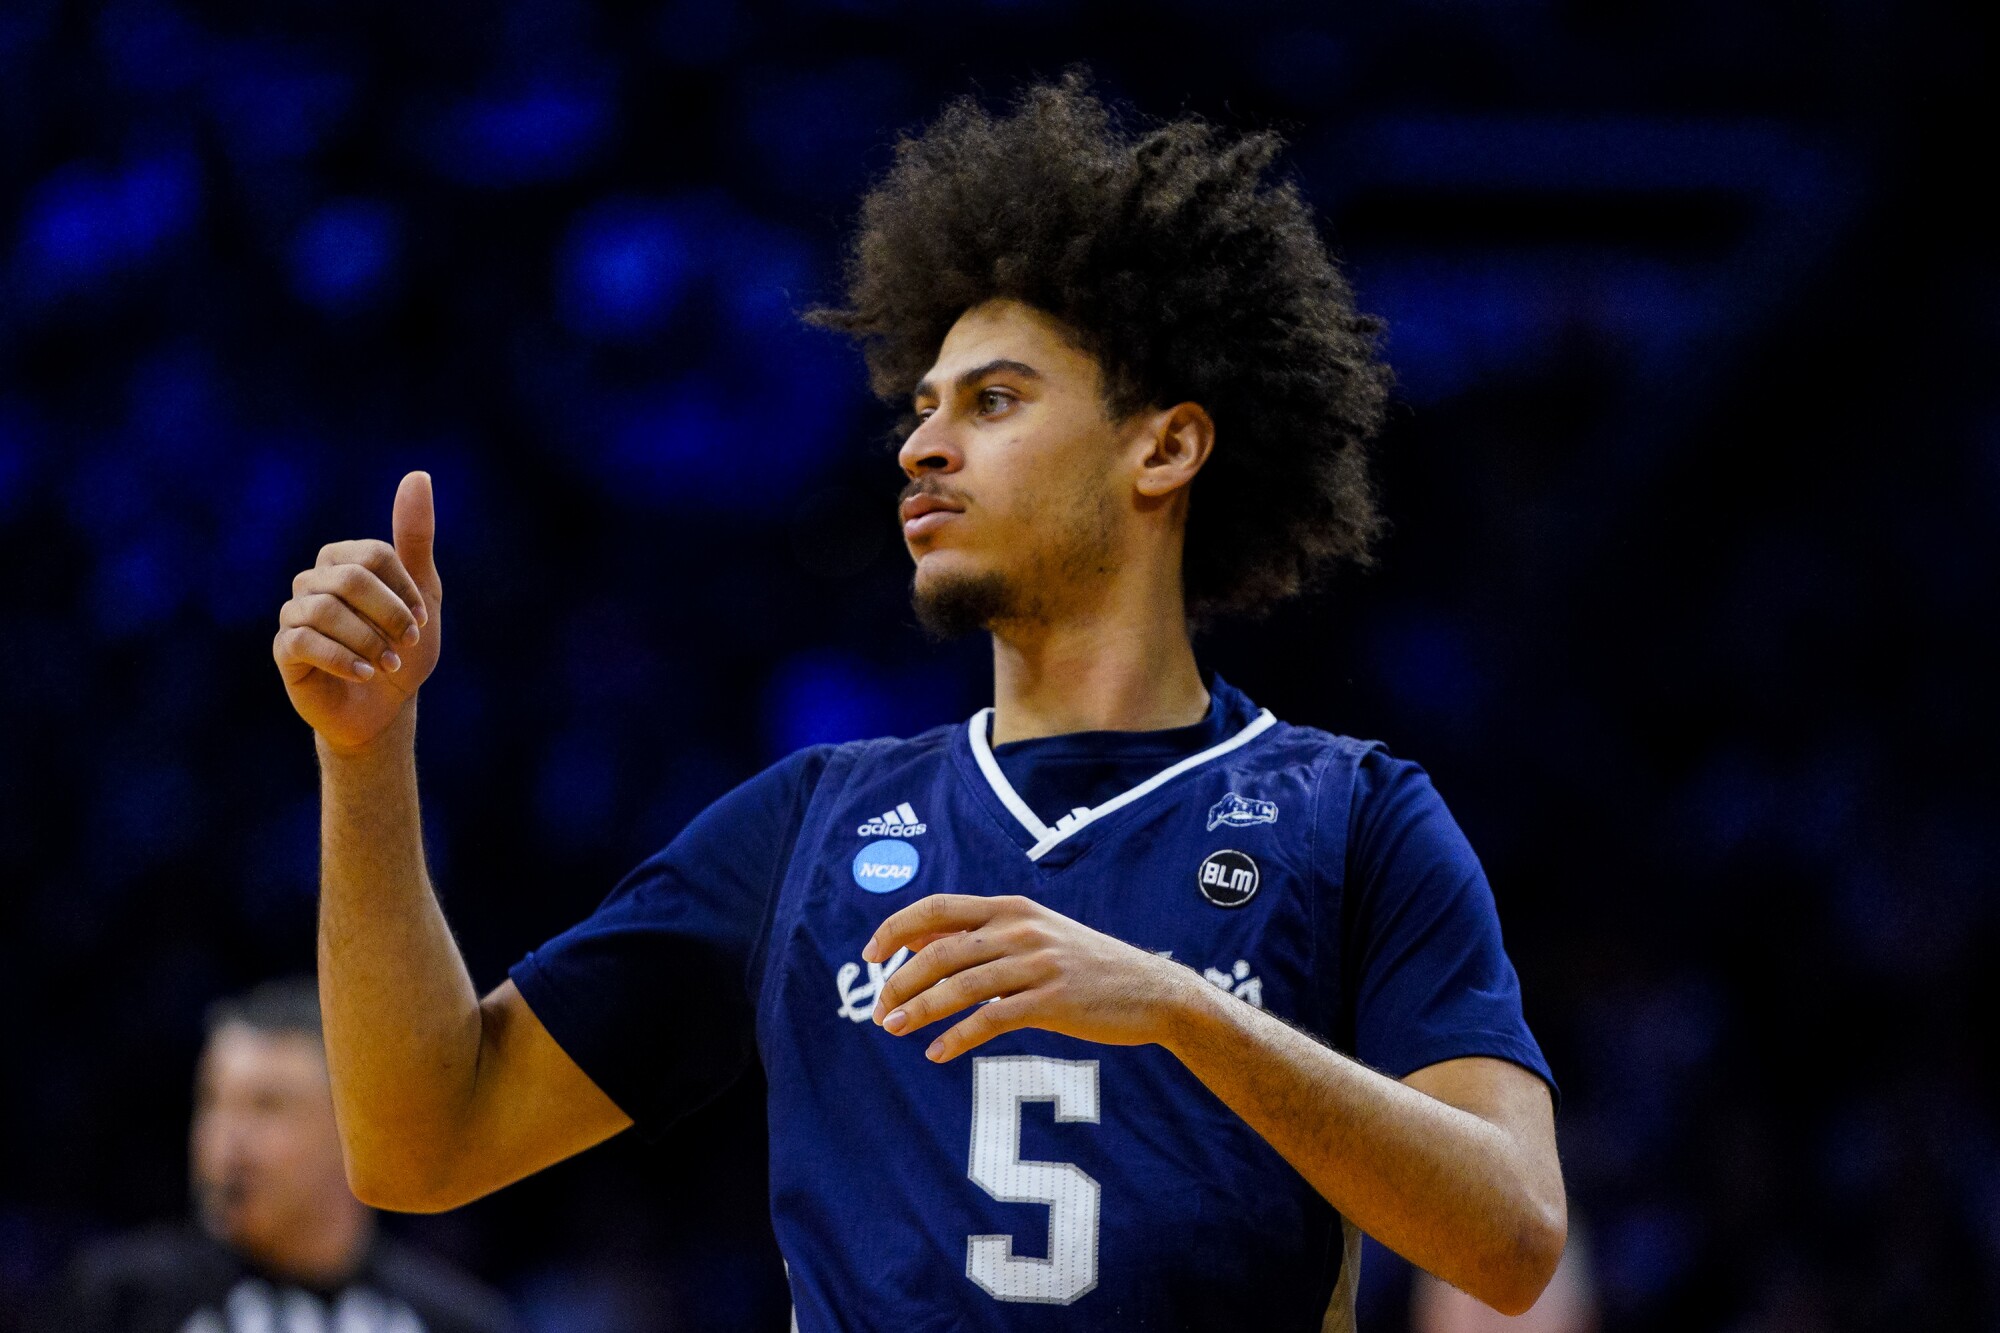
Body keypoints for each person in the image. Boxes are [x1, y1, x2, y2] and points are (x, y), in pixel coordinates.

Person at [271, 74, 1565, 1330]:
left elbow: (1510, 1239)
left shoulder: (1354, 818)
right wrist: (366, 755)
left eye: (995, 401)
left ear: (1161, 448)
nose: (921, 445)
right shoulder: (807, 828)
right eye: (921, 409)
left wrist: (1182, 1006)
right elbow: (419, 1141)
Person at [41, 978, 516, 1333]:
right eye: (212, 1103)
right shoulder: (120, 1299)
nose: (226, 1140)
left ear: (353, 1128)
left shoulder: (457, 1321)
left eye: (266, 1107)